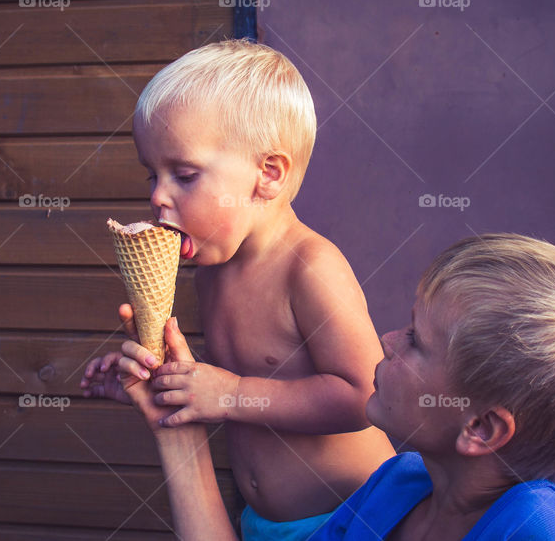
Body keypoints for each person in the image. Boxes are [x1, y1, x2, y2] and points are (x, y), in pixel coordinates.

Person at [98, 234, 555, 540]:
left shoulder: (533, 524)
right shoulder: (398, 483)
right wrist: (175, 430)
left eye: (415, 340)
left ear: (482, 427)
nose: (387, 340)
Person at [81, 39, 394, 539]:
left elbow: (364, 395)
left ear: (267, 175)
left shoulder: (309, 267)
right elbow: (239, 372)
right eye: (152, 175)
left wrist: (231, 395)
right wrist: (166, 384)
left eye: (184, 175)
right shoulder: (211, 272)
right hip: (262, 524)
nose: (158, 196)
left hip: (354, 516)